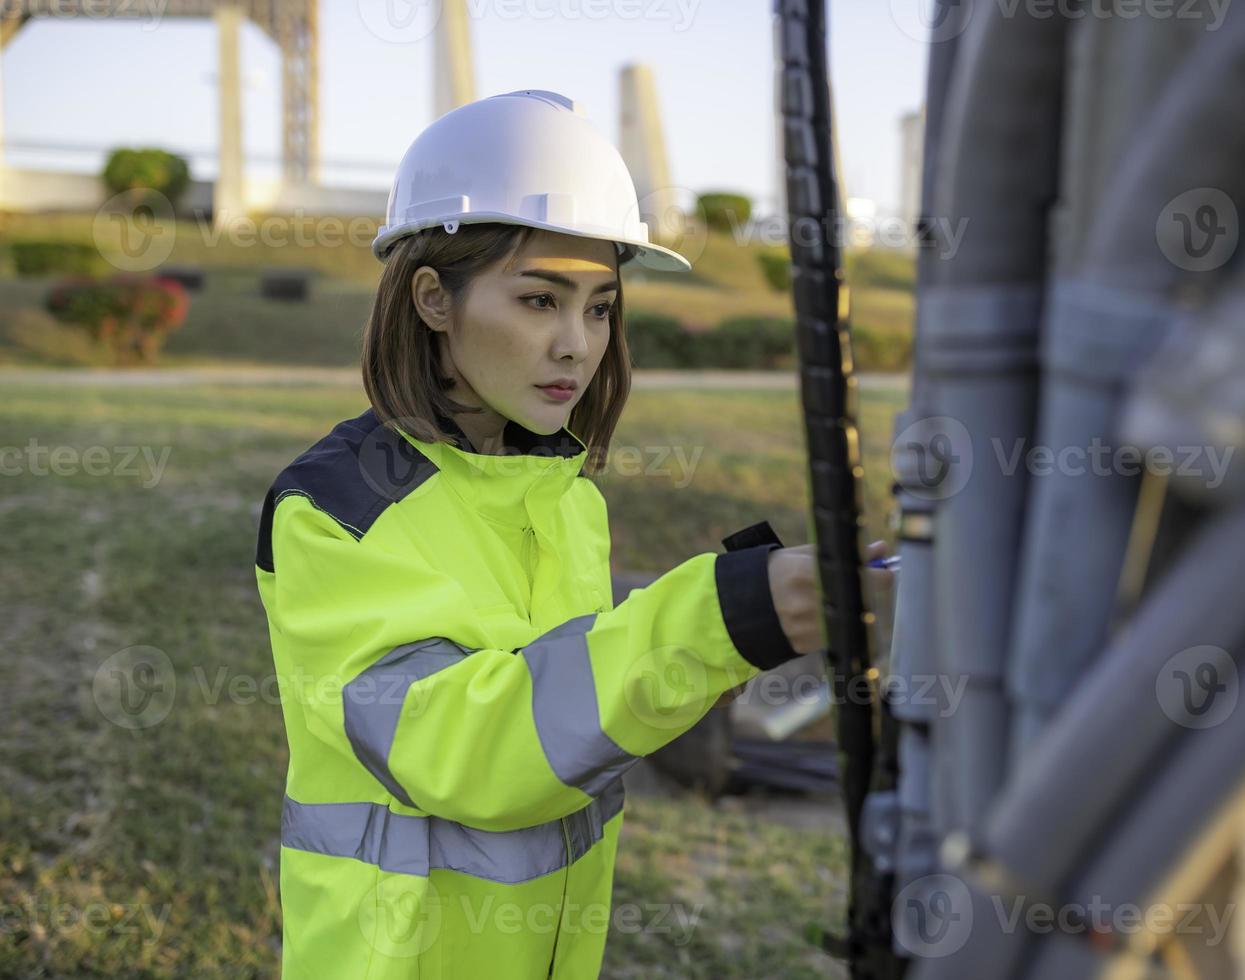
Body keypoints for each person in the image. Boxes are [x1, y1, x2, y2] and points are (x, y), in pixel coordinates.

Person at [253, 89, 891, 979]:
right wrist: (726, 613)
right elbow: (471, 754)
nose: (577, 347)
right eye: (539, 300)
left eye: (598, 307)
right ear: (434, 299)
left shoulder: (565, 496)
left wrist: (701, 666)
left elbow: (568, 707)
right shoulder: (336, 511)